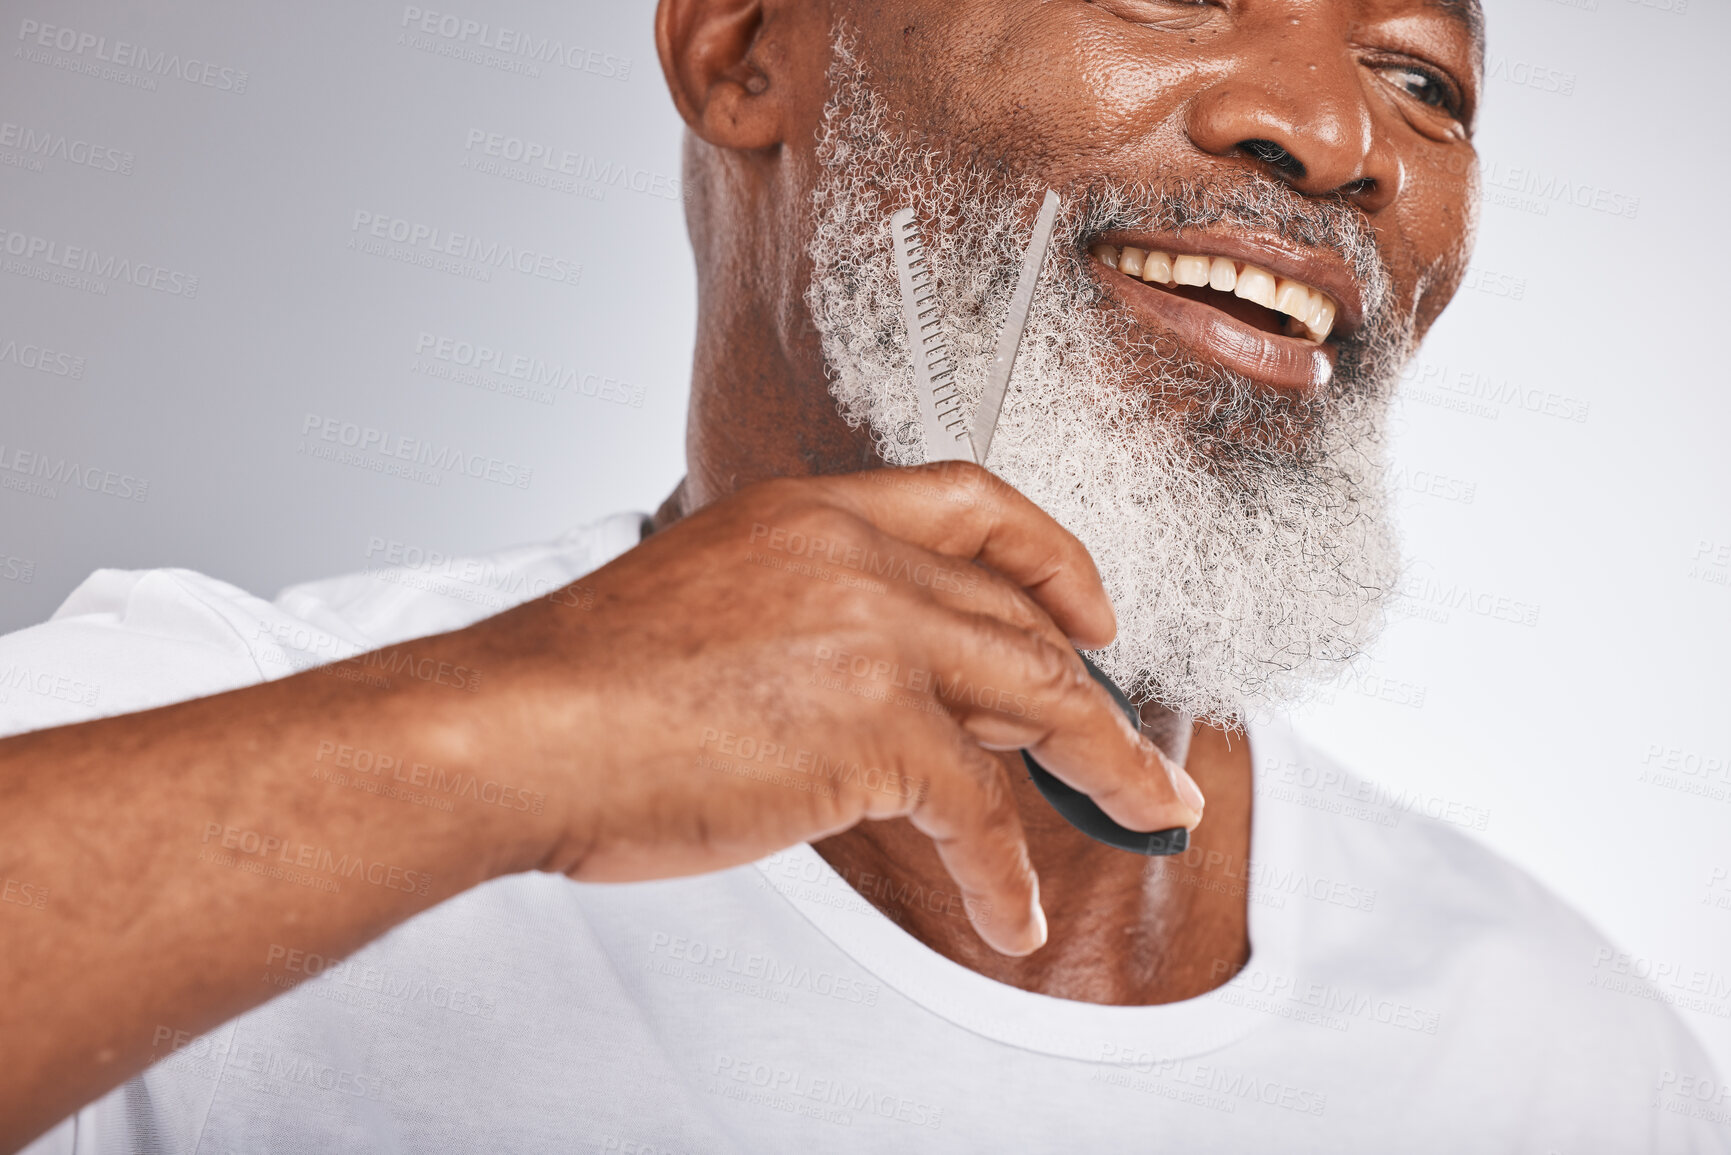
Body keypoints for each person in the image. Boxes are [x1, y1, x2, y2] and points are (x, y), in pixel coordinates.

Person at [4, 0, 1723, 1151]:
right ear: (747, 47)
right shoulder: (190, 747)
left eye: (1426, 77)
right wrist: (508, 736)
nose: (1336, 129)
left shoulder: (1565, 1064)